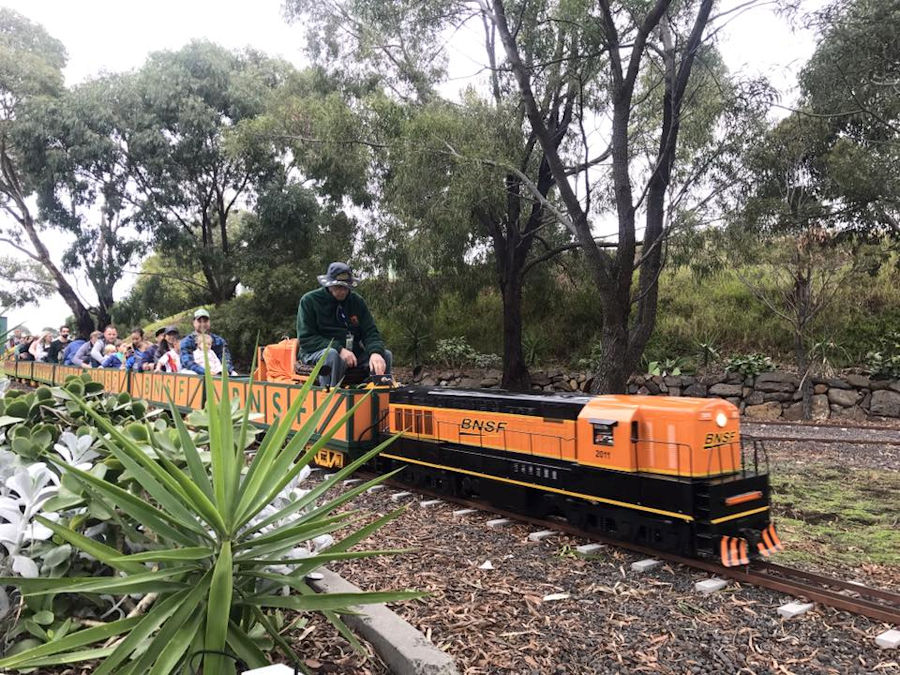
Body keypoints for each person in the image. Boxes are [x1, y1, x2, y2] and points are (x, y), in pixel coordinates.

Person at [296, 261, 392, 387]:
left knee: (385, 355)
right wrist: (339, 349)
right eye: (337, 287)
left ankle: (379, 394)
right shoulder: (309, 301)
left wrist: (375, 352)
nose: (342, 291)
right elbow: (306, 338)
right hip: (316, 352)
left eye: (345, 287)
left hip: (353, 353)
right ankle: (330, 394)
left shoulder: (357, 302)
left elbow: (370, 332)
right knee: (331, 354)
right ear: (328, 285)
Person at [180, 309, 234, 375]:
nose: (203, 324)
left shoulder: (219, 341)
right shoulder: (186, 342)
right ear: (194, 323)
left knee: (234, 374)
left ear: (209, 322)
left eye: (205, 321)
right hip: (196, 371)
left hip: (217, 370)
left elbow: (226, 358)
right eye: (199, 321)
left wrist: (226, 370)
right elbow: (187, 362)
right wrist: (206, 372)